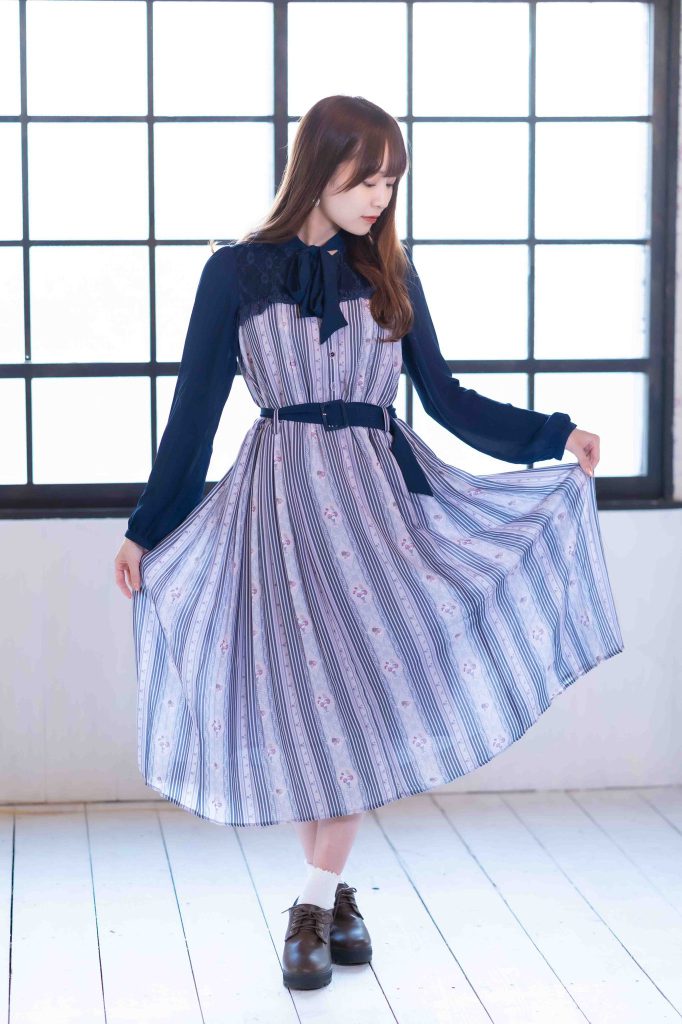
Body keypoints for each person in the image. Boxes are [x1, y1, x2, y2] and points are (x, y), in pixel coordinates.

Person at [113, 95, 624, 991]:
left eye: (392, 182)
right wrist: (147, 528)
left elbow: (450, 400)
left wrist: (554, 434)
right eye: (367, 179)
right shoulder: (234, 274)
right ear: (320, 169)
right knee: (309, 712)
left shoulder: (390, 272)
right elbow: (193, 413)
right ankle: (335, 896)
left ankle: (312, 903)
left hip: (374, 516)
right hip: (276, 514)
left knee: (359, 707)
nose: (381, 197)